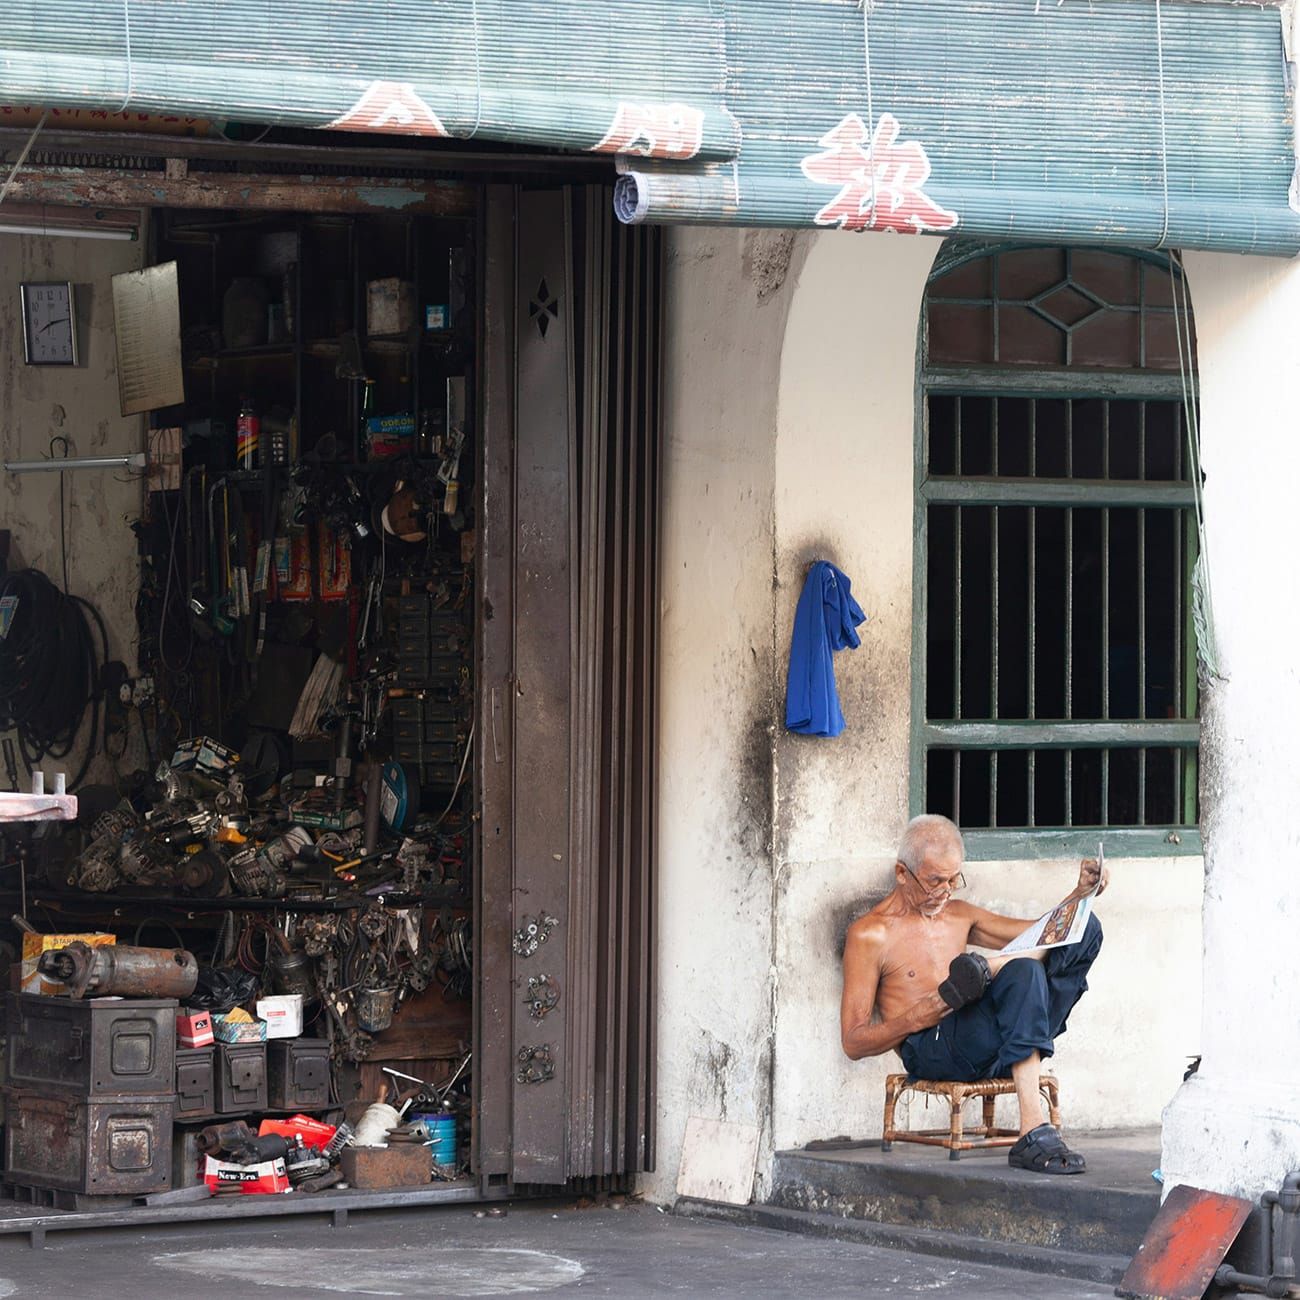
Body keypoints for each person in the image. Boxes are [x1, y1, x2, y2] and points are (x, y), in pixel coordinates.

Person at [840, 813, 1107, 1174]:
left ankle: (987, 969)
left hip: (991, 1042)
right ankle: (1033, 1129)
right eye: (935, 881)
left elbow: (1043, 934)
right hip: (933, 1049)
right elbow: (853, 1042)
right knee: (1025, 971)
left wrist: (1080, 895)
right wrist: (916, 1016)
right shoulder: (870, 934)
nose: (946, 891)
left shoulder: (959, 914)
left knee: (1085, 928)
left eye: (953, 880)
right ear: (902, 873)